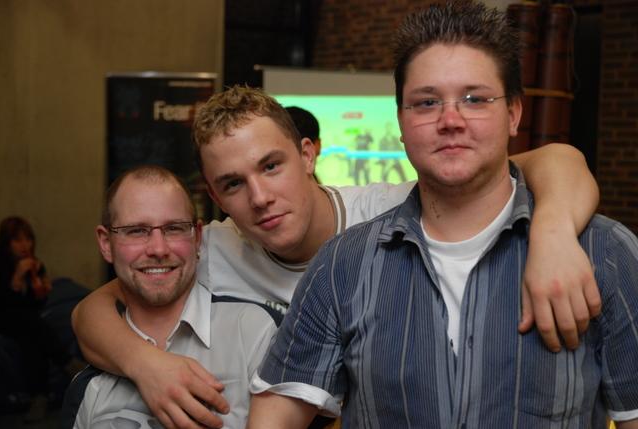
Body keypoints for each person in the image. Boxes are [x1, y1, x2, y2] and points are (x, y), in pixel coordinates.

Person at [71, 85, 602, 428]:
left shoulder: (393, 212)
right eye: (233, 183)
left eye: (272, 166)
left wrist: (553, 234)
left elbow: (557, 159)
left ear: (307, 154)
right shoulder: (218, 247)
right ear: (214, 196)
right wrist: (147, 365)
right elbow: (92, 311)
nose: (259, 197)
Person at [247, 2, 638, 427]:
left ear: (513, 114)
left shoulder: (604, 254)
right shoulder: (344, 264)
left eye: (475, 99)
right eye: (427, 102)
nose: (451, 119)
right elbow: (273, 418)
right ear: (400, 121)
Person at [63, 166, 276, 428]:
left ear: (197, 237)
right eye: (136, 231)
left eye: (174, 228)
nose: (158, 249)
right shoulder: (90, 384)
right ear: (106, 244)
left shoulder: (253, 334)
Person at [0, 216, 83, 422]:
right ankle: (67, 362)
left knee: (32, 338)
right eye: (17, 240)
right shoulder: (1, 264)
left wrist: (41, 292)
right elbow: (4, 305)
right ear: (7, 243)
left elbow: (34, 307)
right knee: (31, 324)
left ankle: (40, 398)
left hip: (24, 323)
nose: (24, 245)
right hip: (3, 317)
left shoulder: (35, 266)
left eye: (28, 239)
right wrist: (16, 279)